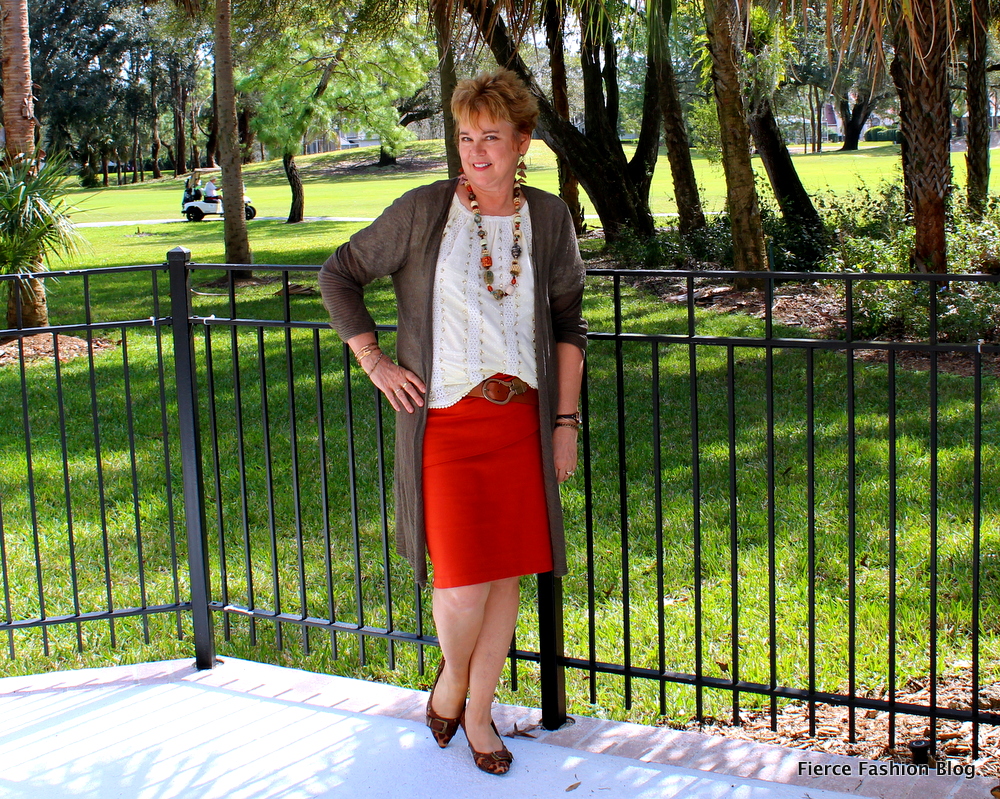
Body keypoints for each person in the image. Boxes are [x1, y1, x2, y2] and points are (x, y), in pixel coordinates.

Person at [318, 69, 586, 776]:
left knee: (505, 578)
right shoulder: (424, 211)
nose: (476, 151)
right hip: (444, 425)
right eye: (466, 137)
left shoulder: (549, 219)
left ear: (522, 143)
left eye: (491, 137)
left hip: (520, 424)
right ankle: (452, 683)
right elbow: (338, 273)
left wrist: (564, 423)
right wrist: (374, 360)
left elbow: (569, 325)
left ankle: (477, 711)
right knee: (464, 581)